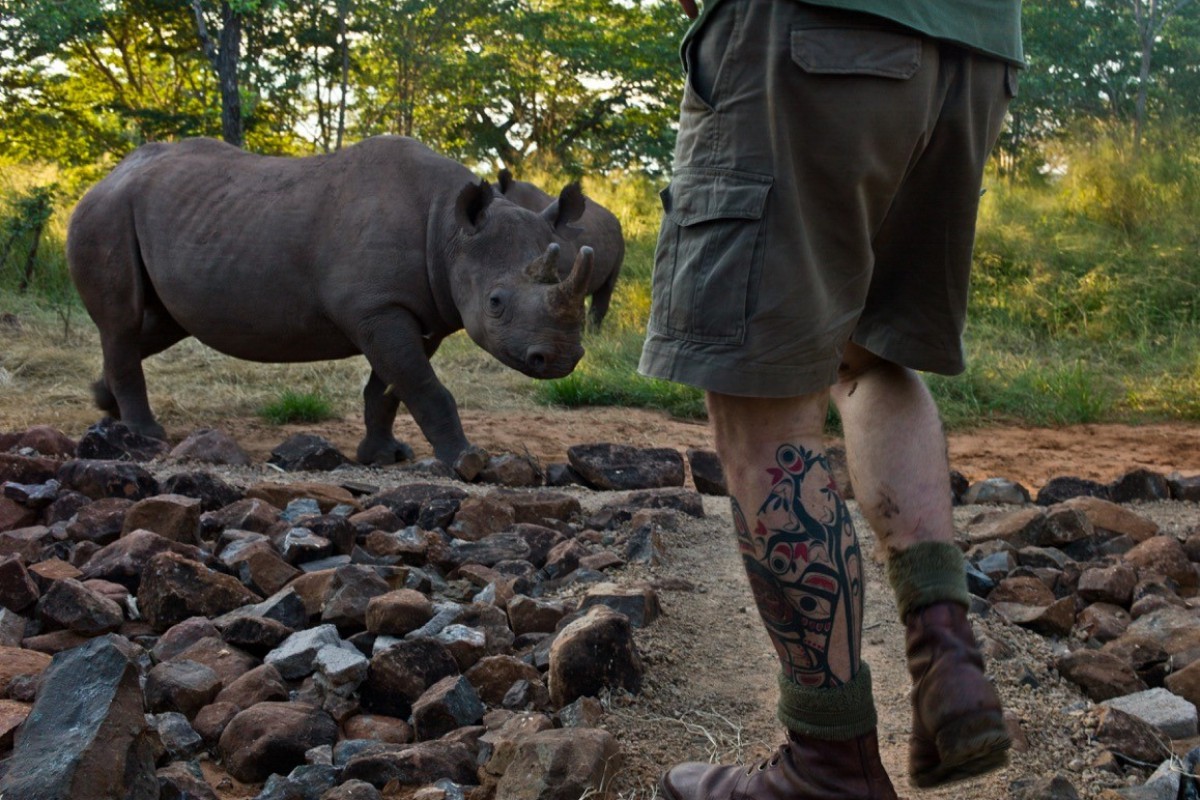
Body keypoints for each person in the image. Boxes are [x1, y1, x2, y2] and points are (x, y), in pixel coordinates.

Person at [638, 0, 1023, 797]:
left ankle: (827, 761)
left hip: (809, 36)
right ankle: (947, 662)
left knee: (761, 405)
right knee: (872, 355)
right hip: (975, 53)